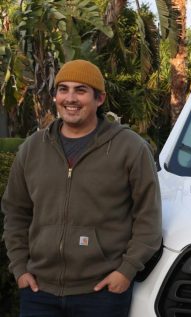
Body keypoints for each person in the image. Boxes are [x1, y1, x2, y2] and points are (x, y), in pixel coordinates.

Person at [1, 59, 162, 317]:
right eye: (63, 89)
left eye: (81, 90)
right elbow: (16, 213)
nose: (70, 98)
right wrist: (20, 269)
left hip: (101, 294)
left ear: (99, 99)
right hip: (39, 292)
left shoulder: (129, 148)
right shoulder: (32, 148)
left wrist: (126, 271)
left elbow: (148, 218)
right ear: (55, 96)